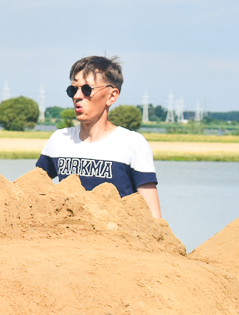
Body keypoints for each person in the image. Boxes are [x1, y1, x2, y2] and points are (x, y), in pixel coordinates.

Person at [35, 55, 161, 219]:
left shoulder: (132, 144)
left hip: (116, 239)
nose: (77, 96)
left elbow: (153, 216)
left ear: (111, 96)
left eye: (87, 89)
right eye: (73, 89)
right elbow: (33, 191)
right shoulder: (59, 140)